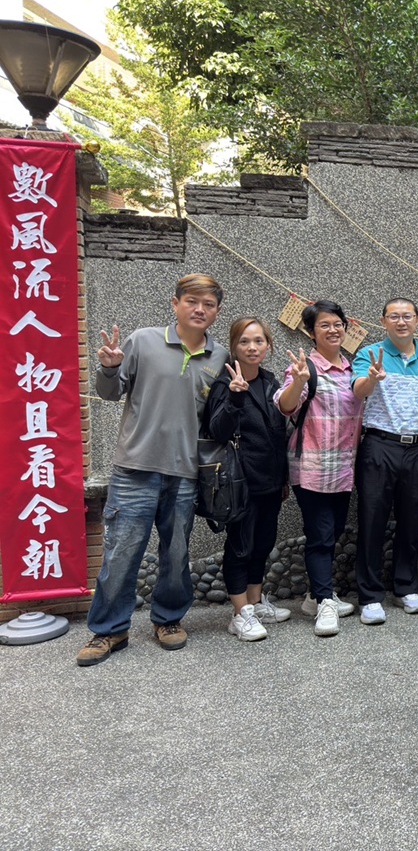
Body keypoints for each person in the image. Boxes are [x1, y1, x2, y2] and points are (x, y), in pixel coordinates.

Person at [77, 273, 229, 666]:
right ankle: (109, 629)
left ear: (216, 312)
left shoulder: (220, 357)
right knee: (121, 553)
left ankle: (168, 619)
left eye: (208, 304)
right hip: (135, 469)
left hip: (186, 472)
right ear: (175, 303)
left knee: (176, 554)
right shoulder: (143, 340)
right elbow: (110, 393)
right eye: (192, 301)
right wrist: (109, 368)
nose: (199, 309)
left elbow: (217, 418)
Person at [352, 297, 418, 625]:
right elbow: (358, 392)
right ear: (383, 321)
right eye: (394, 316)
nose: (401, 322)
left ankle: (406, 587)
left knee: (411, 521)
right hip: (380, 445)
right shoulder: (369, 354)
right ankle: (369, 596)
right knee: (372, 520)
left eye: (407, 316)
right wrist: (372, 378)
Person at [275, 300, 363, 638]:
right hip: (311, 466)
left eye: (338, 323)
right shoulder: (305, 368)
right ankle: (325, 602)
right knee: (321, 534)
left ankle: (315, 596)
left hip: (343, 468)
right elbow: (285, 406)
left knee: (334, 530)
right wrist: (298, 382)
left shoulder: (353, 369)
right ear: (311, 333)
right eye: (324, 325)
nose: (333, 329)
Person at [203, 317, 291, 641]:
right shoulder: (224, 384)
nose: (252, 347)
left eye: (258, 341)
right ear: (234, 346)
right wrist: (235, 398)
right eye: (244, 341)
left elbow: (278, 433)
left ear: (268, 345)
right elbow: (216, 431)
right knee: (240, 547)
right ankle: (239, 613)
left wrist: (283, 478)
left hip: (270, 481)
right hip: (240, 484)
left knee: (263, 543)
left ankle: (255, 603)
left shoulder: (269, 381)